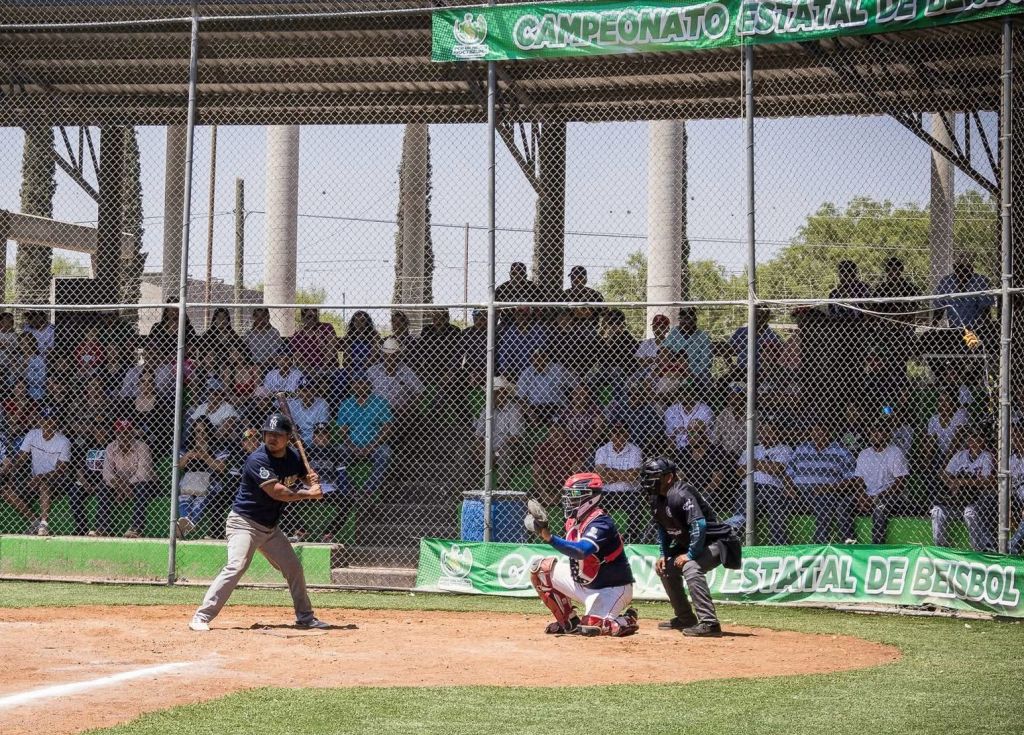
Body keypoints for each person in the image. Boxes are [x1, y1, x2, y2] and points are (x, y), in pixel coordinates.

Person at [189, 412, 329, 632]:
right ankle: (201, 616)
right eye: (268, 433)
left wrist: (310, 479)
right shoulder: (258, 459)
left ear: (288, 438)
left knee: (294, 568)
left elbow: (301, 475)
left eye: (278, 434)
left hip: (270, 529)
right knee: (237, 566)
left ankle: (305, 618)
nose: (271, 438)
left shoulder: (293, 457)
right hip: (244, 524)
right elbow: (277, 491)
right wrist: (309, 494)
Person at [523, 473, 638, 637]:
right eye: (568, 494)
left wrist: (549, 538)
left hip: (612, 589)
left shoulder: (601, 523)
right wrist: (540, 529)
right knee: (541, 570)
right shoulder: (573, 521)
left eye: (575, 494)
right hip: (584, 584)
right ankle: (568, 622)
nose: (569, 499)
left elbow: (582, 551)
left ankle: (626, 620)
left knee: (591, 627)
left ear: (590, 497)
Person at [642, 457, 741, 637]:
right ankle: (685, 618)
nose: (649, 481)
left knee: (691, 567)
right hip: (693, 542)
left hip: (718, 541)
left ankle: (709, 623)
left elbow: (699, 525)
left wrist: (690, 554)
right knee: (665, 568)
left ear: (669, 477)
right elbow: (663, 527)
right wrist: (664, 554)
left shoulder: (680, 494)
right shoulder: (656, 499)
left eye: (654, 476)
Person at [787, 419, 859, 544]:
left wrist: (829, 488)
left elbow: (851, 479)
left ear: (830, 433)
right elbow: (788, 472)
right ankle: (778, 543)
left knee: (825, 502)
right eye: (814, 431)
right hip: (797, 491)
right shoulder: (801, 448)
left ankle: (820, 542)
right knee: (775, 499)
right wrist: (789, 487)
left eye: (822, 432)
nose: (818, 435)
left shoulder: (841, 451)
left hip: (824, 491)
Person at [2, 407, 71, 536]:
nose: (48, 422)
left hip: (57, 480)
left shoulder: (63, 441)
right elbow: (21, 457)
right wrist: (11, 475)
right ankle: (35, 522)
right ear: (40, 420)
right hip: (34, 479)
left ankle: (43, 525)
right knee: (5, 490)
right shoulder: (32, 434)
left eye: (52, 419)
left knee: (44, 483)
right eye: (45, 419)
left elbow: (61, 470)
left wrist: (40, 477)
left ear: (56, 421)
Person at [728, 417, 793, 545]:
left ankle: (778, 544)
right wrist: (765, 465)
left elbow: (777, 469)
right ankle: (733, 542)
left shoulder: (784, 449)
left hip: (772, 487)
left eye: (769, 431)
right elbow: (739, 471)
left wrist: (754, 463)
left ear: (777, 433)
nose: (765, 434)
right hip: (748, 485)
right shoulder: (751, 449)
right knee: (742, 512)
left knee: (776, 514)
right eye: (762, 431)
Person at [931, 424, 996, 549]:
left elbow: (986, 481)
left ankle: (976, 550)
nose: (973, 442)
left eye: (978, 438)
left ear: (983, 440)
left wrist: (961, 482)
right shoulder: (960, 455)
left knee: (969, 513)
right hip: (957, 498)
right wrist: (952, 483)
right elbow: (943, 473)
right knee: (937, 511)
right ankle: (941, 548)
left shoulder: (986, 456)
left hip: (975, 498)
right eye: (971, 438)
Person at [335, 377, 393, 499]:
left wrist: (371, 446)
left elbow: (387, 428)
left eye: (362, 382)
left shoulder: (380, 402)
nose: (358, 385)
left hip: (374, 444)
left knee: (385, 453)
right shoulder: (346, 403)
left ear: (369, 385)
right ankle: (348, 490)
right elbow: (342, 431)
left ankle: (367, 491)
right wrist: (352, 446)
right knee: (337, 452)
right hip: (351, 445)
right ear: (351, 385)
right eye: (355, 382)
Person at [98, 420, 156, 538]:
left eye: (127, 432)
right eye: (120, 433)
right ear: (116, 434)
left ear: (132, 433)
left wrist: (125, 486)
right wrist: (121, 486)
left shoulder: (142, 447)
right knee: (103, 487)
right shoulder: (111, 447)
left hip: (142, 482)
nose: (124, 436)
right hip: (119, 483)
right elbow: (107, 473)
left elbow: (143, 473)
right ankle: (103, 528)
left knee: (142, 488)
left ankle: (136, 528)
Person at [854, 421, 910, 545]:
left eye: (880, 431)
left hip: (891, 496)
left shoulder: (895, 452)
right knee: (843, 506)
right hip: (868, 494)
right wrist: (861, 496)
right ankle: (849, 542)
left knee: (879, 508)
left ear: (887, 434)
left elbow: (901, 482)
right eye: (872, 431)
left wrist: (877, 498)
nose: (875, 434)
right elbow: (858, 480)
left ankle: (877, 546)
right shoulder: (864, 454)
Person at [175, 417, 230, 538]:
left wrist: (205, 456)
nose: (200, 434)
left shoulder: (217, 446)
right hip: (190, 480)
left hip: (211, 481)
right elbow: (178, 466)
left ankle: (186, 524)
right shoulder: (187, 445)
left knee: (201, 498)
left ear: (209, 431)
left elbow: (221, 467)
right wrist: (188, 456)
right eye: (198, 431)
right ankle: (186, 521)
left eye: (204, 431)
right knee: (185, 496)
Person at [593, 422, 645, 543]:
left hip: (630, 492)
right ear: (610, 435)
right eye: (614, 432)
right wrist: (625, 474)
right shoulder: (602, 450)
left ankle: (631, 539)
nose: (617, 436)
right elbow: (600, 476)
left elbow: (633, 476)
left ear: (627, 434)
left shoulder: (635, 450)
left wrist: (609, 471)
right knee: (597, 509)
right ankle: (602, 538)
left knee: (635, 508)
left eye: (621, 432)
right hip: (607, 492)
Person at [934, 256, 995, 329]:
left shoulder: (980, 281)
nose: (962, 271)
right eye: (960, 267)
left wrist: (987, 327)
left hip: (976, 327)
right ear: (955, 268)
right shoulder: (946, 281)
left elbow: (986, 309)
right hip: (954, 328)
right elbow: (939, 308)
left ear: (971, 268)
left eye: (966, 267)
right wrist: (934, 324)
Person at [664, 380, 714, 453]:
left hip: (699, 450)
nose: (684, 394)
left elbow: (701, 437)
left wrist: (683, 431)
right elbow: (670, 438)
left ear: (694, 393)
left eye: (688, 391)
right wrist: (672, 454)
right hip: (678, 452)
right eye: (681, 391)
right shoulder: (671, 410)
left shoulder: (705, 410)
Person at [664, 308, 712, 381]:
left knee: (706, 378)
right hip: (675, 369)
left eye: (688, 319)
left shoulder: (703, 336)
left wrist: (692, 374)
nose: (684, 321)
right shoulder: (674, 332)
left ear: (695, 320)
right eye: (682, 319)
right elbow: (665, 348)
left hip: (696, 372)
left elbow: (706, 362)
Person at [286, 378, 331, 444]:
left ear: (314, 391)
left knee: (321, 438)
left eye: (310, 390)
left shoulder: (322, 404)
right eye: (304, 391)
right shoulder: (292, 404)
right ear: (298, 391)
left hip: (315, 441)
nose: (306, 394)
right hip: (296, 440)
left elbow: (322, 428)